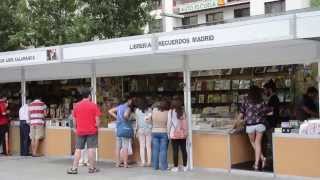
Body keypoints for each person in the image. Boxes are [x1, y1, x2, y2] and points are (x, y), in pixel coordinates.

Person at [237, 86, 272, 171]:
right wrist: (261, 113)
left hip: (250, 125)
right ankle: (261, 160)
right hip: (260, 124)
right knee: (258, 142)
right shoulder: (262, 101)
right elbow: (270, 112)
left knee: (253, 142)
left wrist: (237, 121)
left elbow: (241, 113)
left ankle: (257, 163)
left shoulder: (245, 100)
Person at [67, 90, 101, 174]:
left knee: (78, 149)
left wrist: (76, 128)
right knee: (91, 149)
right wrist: (97, 126)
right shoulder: (93, 105)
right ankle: (91, 168)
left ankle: (74, 168)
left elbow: (74, 121)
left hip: (80, 131)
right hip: (92, 130)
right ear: (89, 96)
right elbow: (97, 121)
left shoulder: (77, 106)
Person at [108, 95, 135, 168]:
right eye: (131, 101)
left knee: (118, 146)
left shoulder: (119, 107)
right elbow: (126, 115)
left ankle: (117, 163)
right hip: (125, 128)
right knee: (125, 146)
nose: (131, 102)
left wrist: (117, 117)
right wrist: (128, 118)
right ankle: (125, 164)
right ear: (128, 101)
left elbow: (110, 111)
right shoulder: (127, 108)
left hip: (118, 127)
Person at [168, 99, 188, 172]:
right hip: (182, 133)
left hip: (174, 134)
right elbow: (185, 123)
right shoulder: (183, 112)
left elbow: (169, 123)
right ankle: (185, 166)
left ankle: (176, 167)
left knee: (175, 151)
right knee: (184, 150)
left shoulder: (170, 112)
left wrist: (168, 133)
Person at [150, 100, 169, 171]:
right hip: (164, 131)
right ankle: (164, 167)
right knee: (163, 150)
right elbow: (169, 123)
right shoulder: (167, 112)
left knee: (155, 150)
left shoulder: (154, 110)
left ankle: (155, 166)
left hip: (154, 131)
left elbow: (149, 120)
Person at [135, 97, 152, 167]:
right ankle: (149, 162)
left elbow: (137, 121)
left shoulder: (137, 110)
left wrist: (136, 130)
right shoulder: (150, 110)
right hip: (148, 129)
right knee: (148, 146)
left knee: (142, 146)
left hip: (140, 130)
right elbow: (151, 120)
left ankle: (143, 162)